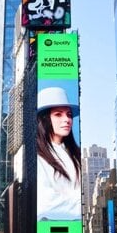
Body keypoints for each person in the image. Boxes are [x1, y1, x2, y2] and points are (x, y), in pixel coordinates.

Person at [36, 86, 81, 221]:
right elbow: (45, 204)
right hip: (48, 229)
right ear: (44, 119)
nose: (67, 119)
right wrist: (82, 207)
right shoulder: (37, 156)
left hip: (75, 231)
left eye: (69, 115)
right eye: (58, 114)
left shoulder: (75, 155)